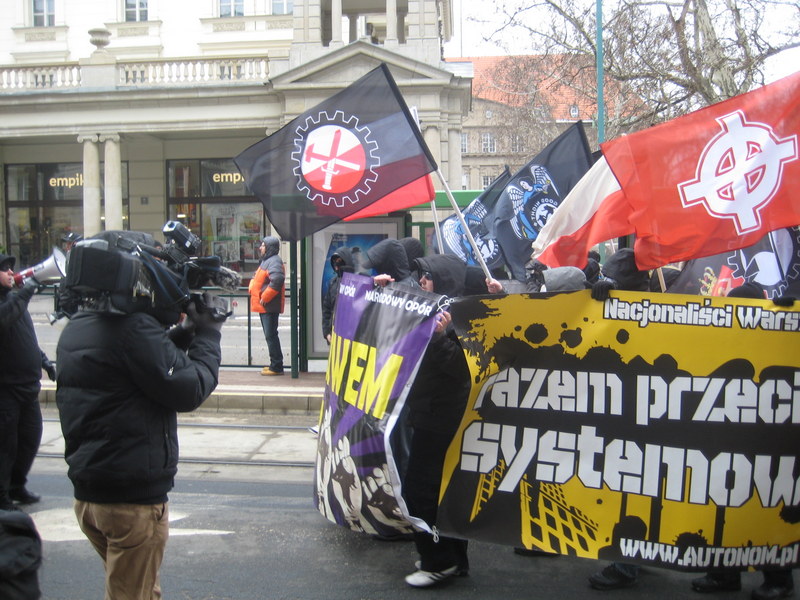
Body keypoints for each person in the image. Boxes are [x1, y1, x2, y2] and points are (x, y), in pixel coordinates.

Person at [56, 267, 225, 600]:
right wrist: (208, 335)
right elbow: (190, 388)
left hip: (90, 494)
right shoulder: (133, 330)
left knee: (137, 588)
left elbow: (138, 362)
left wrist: (186, 331)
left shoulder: (80, 326)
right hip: (130, 502)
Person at [688, 281, 793, 600]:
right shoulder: (722, 335)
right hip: (727, 442)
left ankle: (779, 578)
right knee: (725, 511)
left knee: (763, 510)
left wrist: (793, 316)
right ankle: (723, 575)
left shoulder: (780, 336)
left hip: (766, 444)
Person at [402, 253, 471, 588]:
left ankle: (437, 560)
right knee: (441, 492)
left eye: (427, 277)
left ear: (442, 279)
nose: (421, 283)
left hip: (441, 416)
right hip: (429, 411)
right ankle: (453, 558)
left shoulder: (461, 317)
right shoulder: (432, 308)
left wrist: (441, 338)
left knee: (420, 490)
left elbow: (463, 369)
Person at [587, 247, 650, 591]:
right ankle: (638, 555)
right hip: (626, 414)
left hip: (637, 420)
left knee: (631, 490)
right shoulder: (627, 304)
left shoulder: (643, 309)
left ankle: (627, 565)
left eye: (613, 276)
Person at [0, 253, 55, 511]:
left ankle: (16, 485)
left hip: (27, 386)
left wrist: (45, 363)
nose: (11, 273)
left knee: (29, 439)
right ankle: (1, 494)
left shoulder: (14, 300)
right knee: (5, 445)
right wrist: (25, 292)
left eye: (12, 268)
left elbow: (27, 340)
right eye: (5, 269)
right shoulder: (12, 303)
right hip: (5, 389)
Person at [249, 236, 285, 376]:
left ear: (269, 247)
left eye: (263, 245)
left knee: (271, 335)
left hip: (269, 306)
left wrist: (265, 296)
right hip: (266, 306)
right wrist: (253, 288)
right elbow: (256, 277)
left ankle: (276, 366)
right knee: (270, 335)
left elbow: (277, 279)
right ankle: (275, 364)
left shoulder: (273, 261)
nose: (260, 248)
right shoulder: (268, 261)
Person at [321, 246, 357, 344]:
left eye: (340, 261)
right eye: (335, 262)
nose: (337, 265)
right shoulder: (333, 284)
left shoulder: (358, 281)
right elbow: (326, 310)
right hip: (335, 337)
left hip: (353, 338)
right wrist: (327, 333)